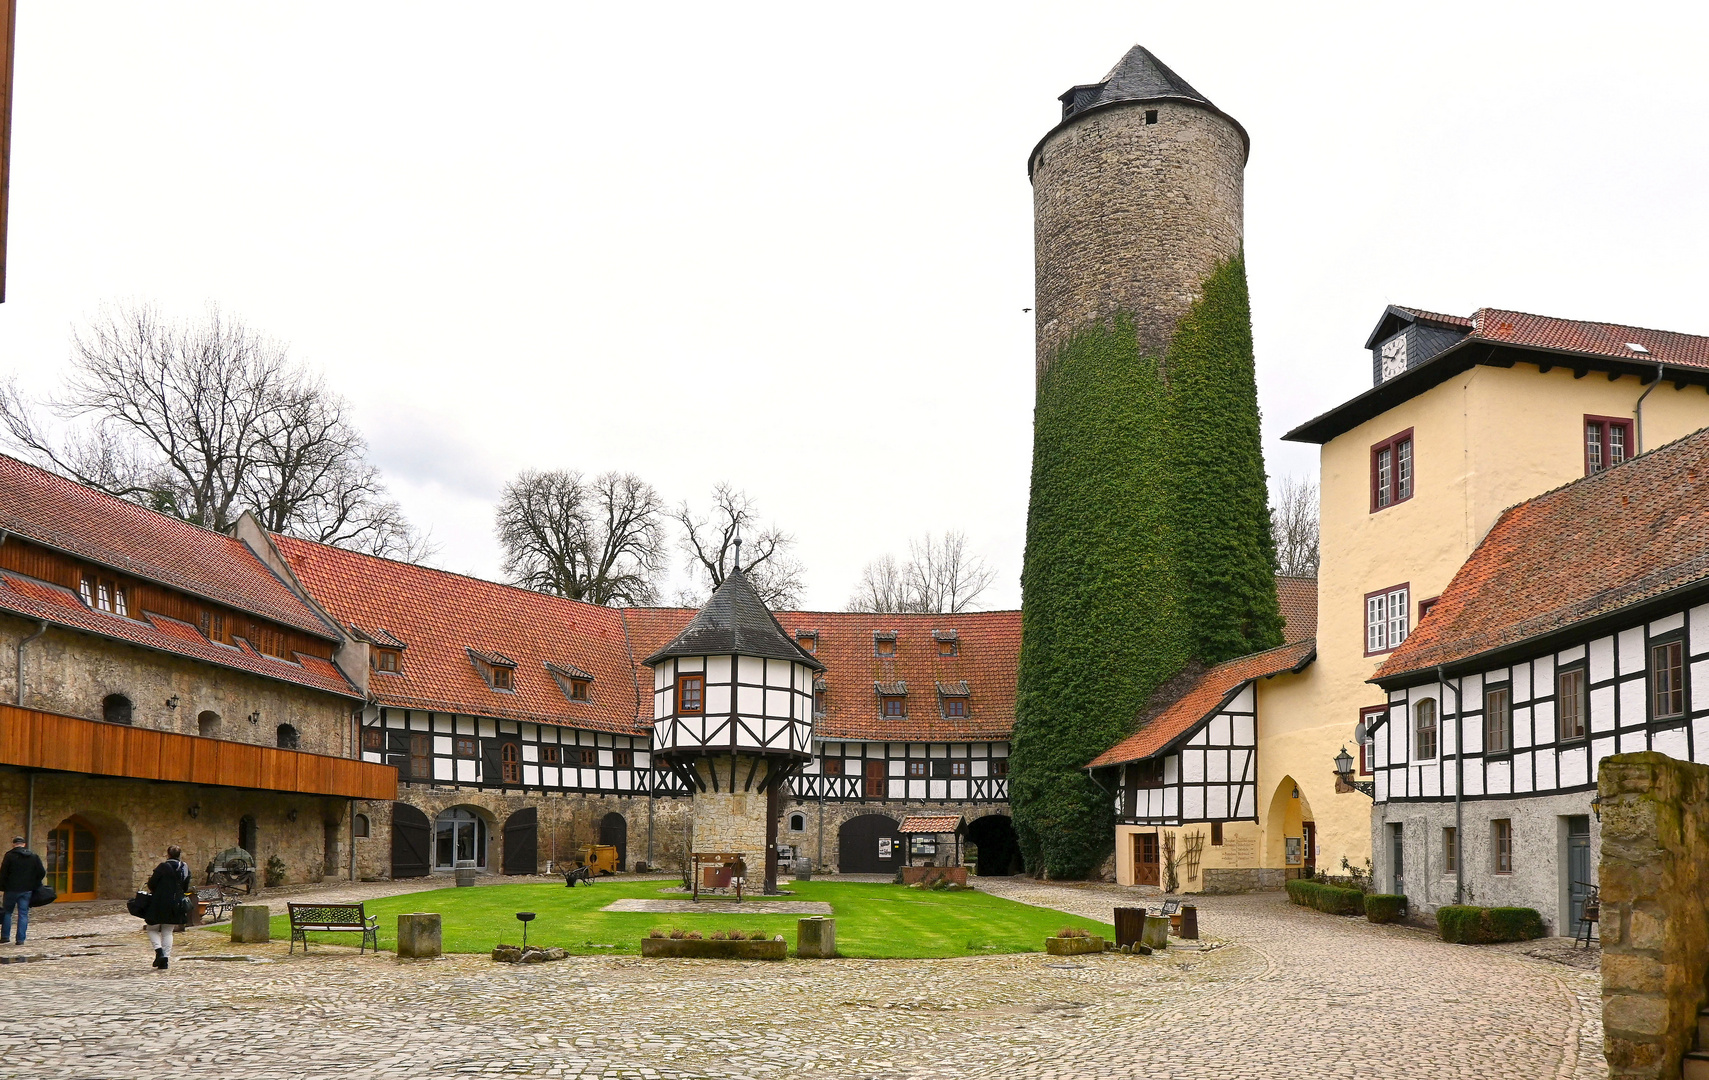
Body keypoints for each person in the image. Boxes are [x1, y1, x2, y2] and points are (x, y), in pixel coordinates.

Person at [140, 846, 191, 970]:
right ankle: (165, 959)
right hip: (175, 903)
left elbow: (152, 884)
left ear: (168, 854)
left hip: (159, 902)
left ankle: (159, 952)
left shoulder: (162, 867)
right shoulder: (184, 868)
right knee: (168, 931)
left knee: (152, 929)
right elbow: (186, 886)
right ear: (179, 854)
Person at [0, 836, 45, 946]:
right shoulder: (33, 856)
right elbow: (41, 872)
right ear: (24, 844)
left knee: (7, 912)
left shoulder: (9, 856)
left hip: (11, 889)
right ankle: (20, 939)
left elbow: (3, 873)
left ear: (13, 844)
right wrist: (34, 883)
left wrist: (2, 886)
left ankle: (5, 936)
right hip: (26, 889)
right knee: (23, 914)